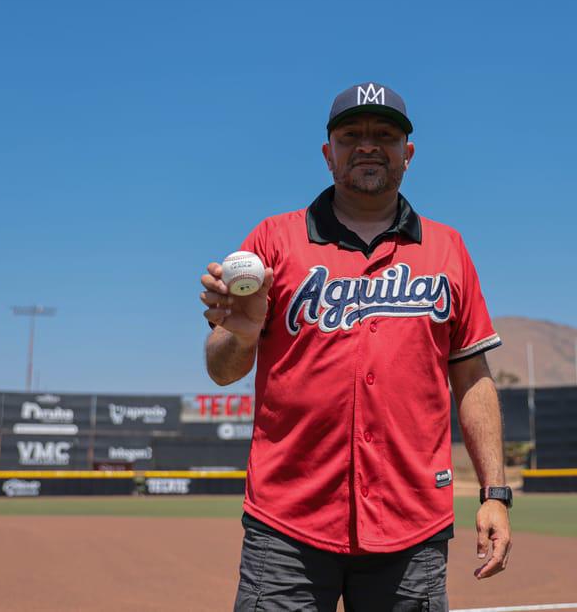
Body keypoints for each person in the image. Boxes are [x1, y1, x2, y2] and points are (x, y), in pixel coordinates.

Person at [201, 82, 511, 611]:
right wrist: (244, 333)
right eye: (351, 136)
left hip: (411, 524)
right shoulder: (273, 240)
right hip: (288, 524)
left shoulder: (448, 248)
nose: (368, 145)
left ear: (407, 153)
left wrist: (495, 494)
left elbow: (472, 377)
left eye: (384, 135)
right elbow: (221, 369)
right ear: (329, 154)